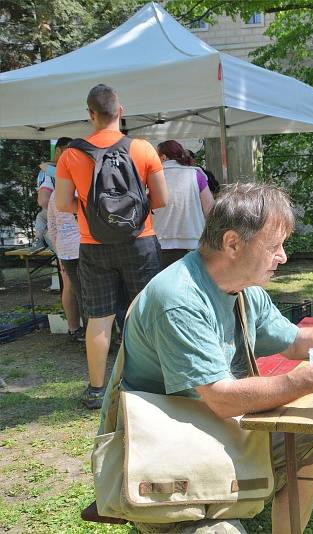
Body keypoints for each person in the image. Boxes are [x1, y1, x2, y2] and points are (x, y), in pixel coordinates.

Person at [107, 182, 313, 533]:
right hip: (164, 454)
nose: (283, 257)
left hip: (213, 429)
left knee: (306, 442)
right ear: (232, 244)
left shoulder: (243, 289)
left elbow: (293, 342)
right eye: (274, 246)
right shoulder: (179, 299)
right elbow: (222, 399)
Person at [55, 83, 168, 409]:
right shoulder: (143, 149)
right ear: (120, 111)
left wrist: (92, 209)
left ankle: (96, 389)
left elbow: (62, 203)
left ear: (90, 114)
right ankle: (153, 384)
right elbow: (162, 199)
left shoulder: (71, 154)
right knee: (146, 313)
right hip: (140, 241)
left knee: (100, 318)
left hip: (94, 245)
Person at [44, 137, 84, 341]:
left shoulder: (55, 194)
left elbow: (51, 226)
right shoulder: (83, 188)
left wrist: (59, 246)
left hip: (66, 249)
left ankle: (74, 328)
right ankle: (97, 332)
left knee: (69, 287)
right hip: (85, 246)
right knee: (89, 290)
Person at [152, 140, 215, 268]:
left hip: (160, 242)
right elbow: (211, 210)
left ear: (163, 157)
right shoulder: (196, 175)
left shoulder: (153, 177)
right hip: (193, 242)